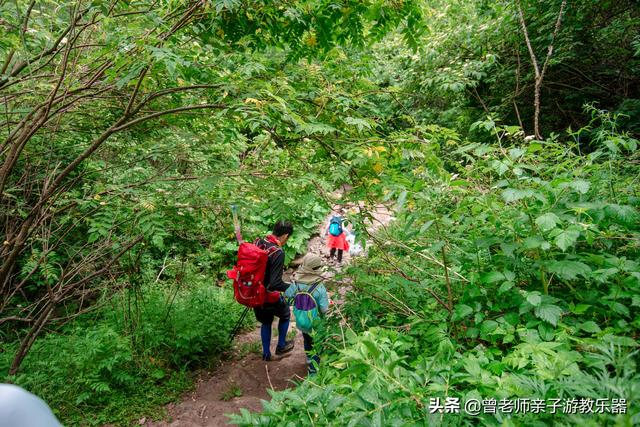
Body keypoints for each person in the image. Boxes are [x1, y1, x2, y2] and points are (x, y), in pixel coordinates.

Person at [254, 220, 295, 361]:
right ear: (284, 235)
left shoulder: (259, 242)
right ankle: (281, 346)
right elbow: (275, 283)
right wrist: (292, 287)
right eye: (287, 237)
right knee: (285, 315)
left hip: (255, 292)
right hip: (268, 295)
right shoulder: (277, 252)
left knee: (266, 322)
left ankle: (266, 354)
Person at [285, 254, 329, 374]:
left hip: (301, 322)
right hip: (316, 324)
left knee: (307, 341)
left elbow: (287, 296)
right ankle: (314, 370)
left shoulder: (297, 283)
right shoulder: (319, 287)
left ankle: (309, 360)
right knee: (317, 345)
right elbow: (325, 309)